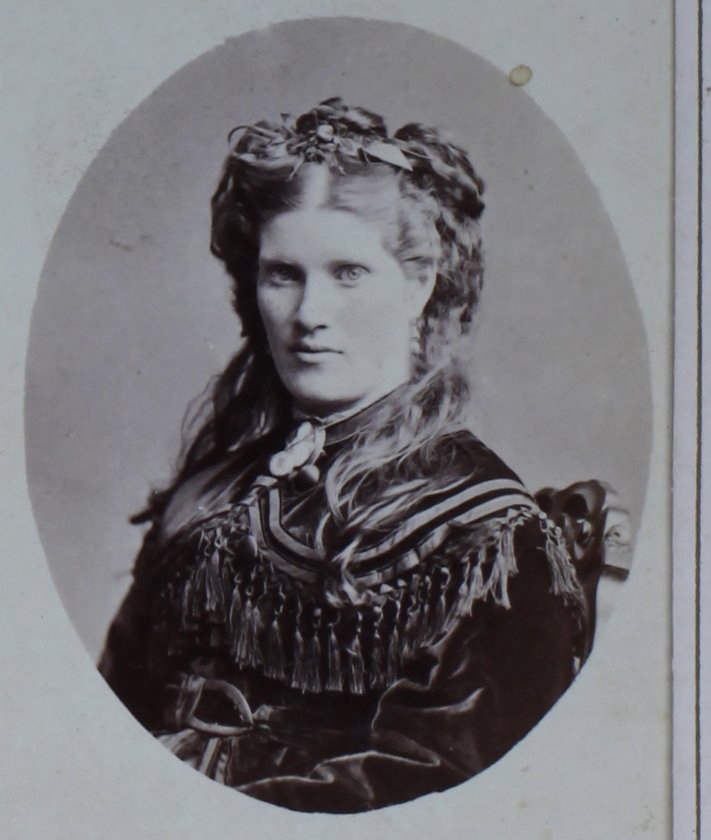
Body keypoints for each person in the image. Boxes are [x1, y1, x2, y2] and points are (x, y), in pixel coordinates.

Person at [99, 98, 602, 813]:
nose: (309, 315)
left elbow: (437, 783)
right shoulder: (213, 490)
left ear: (418, 283)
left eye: (348, 273)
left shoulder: (482, 530)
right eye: (284, 275)